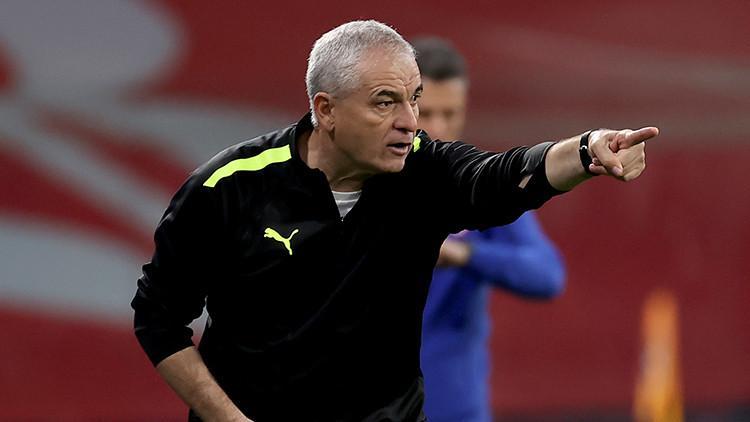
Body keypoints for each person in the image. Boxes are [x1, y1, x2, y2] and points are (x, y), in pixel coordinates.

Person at [131, 20, 659, 422]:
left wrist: (587, 150)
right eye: (385, 103)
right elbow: (158, 318)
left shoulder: (424, 172)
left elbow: (504, 175)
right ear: (326, 110)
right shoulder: (227, 188)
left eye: (414, 99)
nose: (410, 122)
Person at [412, 37, 566, 422]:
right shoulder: (361, 186)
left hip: (454, 409)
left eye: (450, 114)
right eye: (425, 113)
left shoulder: (477, 187)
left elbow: (546, 275)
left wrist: (462, 254)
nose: (437, 128)